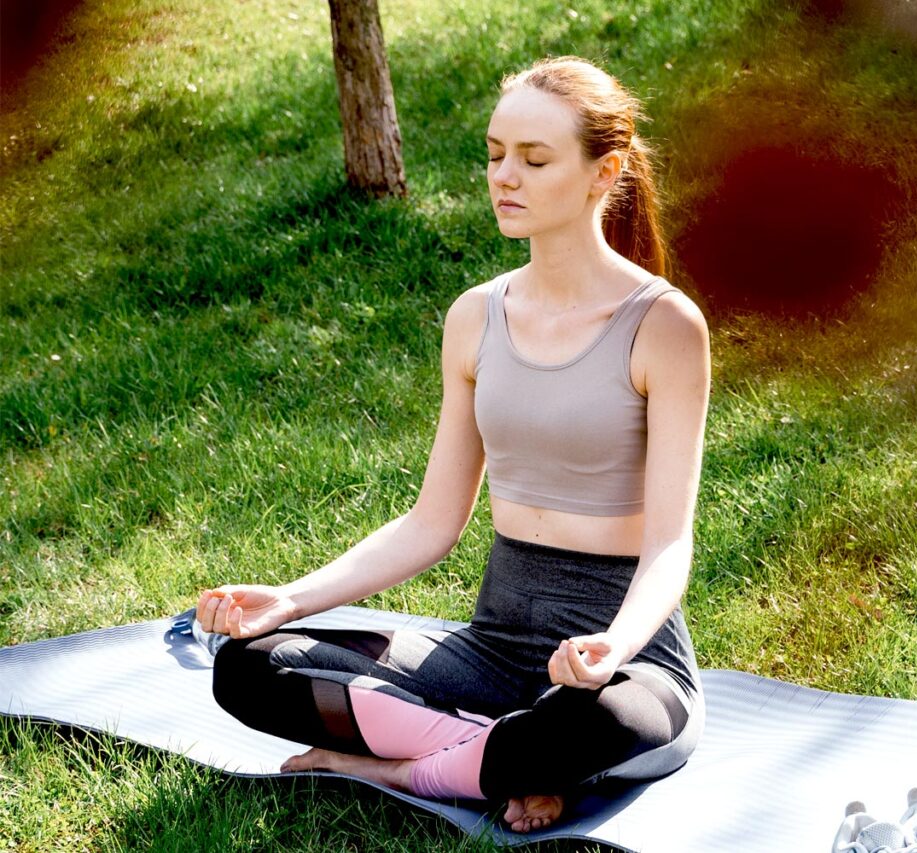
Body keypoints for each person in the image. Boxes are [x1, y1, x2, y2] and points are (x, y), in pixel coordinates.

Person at [196, 55, 710, 833]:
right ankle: (491, 763)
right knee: (251, 667)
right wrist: (292, 597)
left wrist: (613, 642)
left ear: (605, 172)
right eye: (496, 154)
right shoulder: (476, 317)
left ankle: (385, 766)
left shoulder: (664, 327)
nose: (505, 176)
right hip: (492, 650)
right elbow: (431, 523)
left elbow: (670, 545)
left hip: (623, 663)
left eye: (535, 161)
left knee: (591, 726)